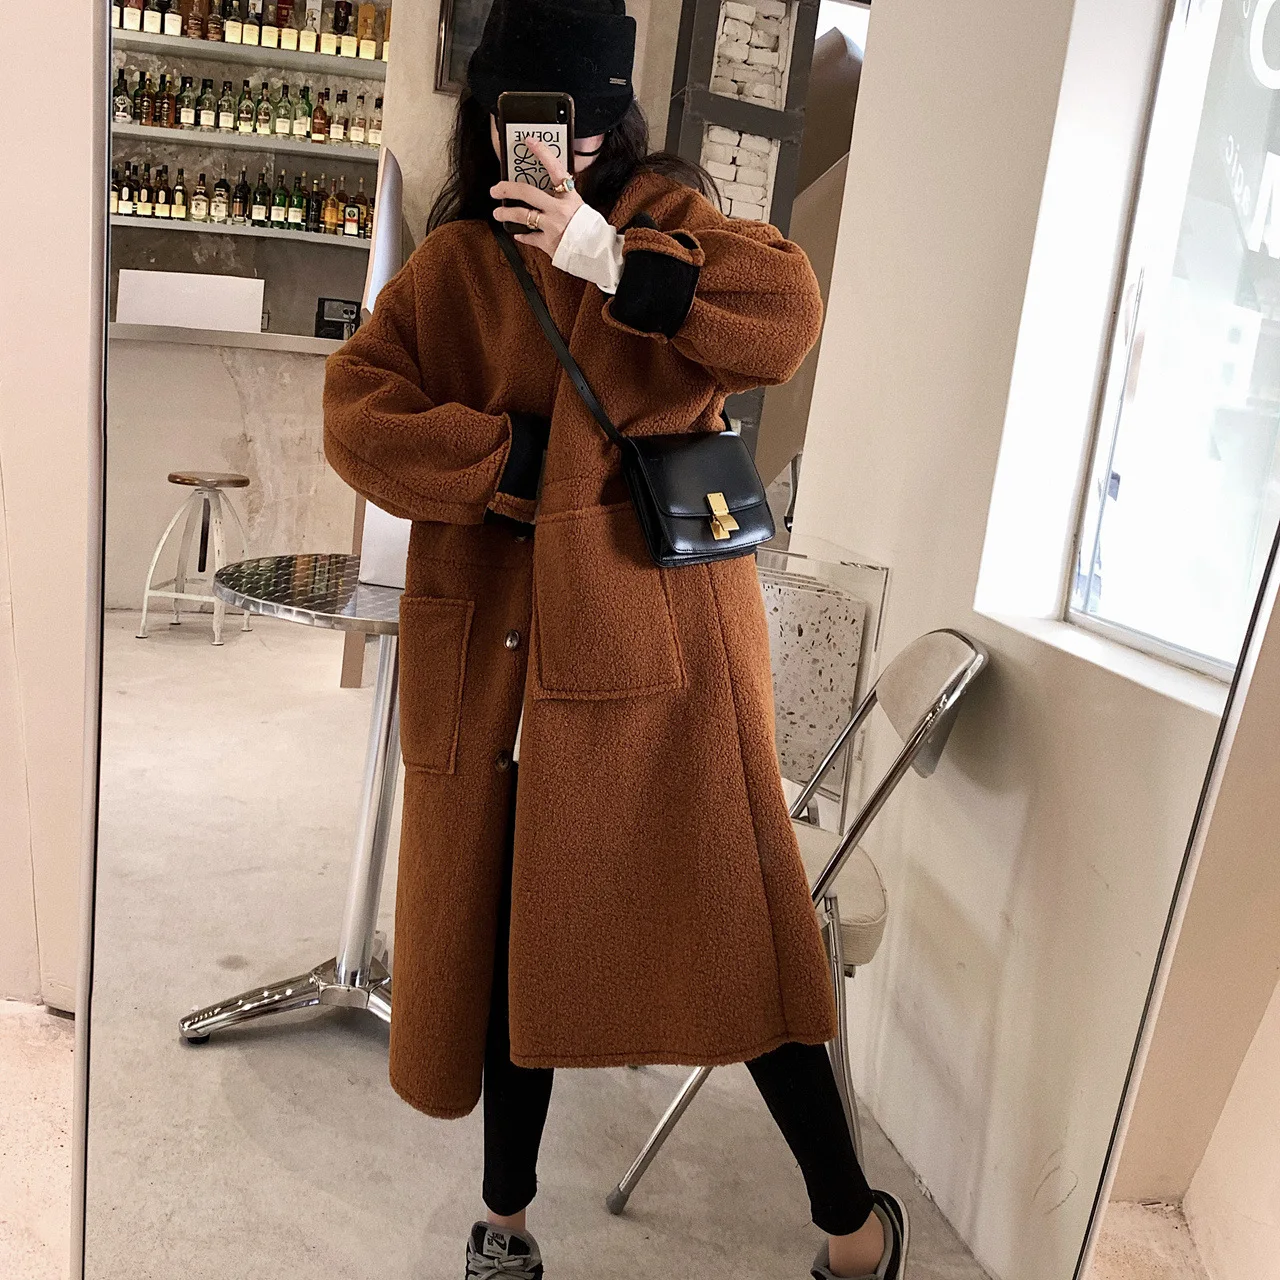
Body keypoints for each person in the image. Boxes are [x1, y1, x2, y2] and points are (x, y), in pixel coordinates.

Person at [322, 1, 904, 1276]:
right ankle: (505, 1218)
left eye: (578, 123)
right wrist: (501, 461)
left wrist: (608, 257)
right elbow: (354, 410)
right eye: (526, 118)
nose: (554, 147)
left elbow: (784, 314)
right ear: (488, 120)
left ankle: (853, 1225)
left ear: (613, 120)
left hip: (667, 654)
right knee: (506, 926)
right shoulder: (455, 266)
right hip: (505, 655)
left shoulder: (666, 221)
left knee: (736, 927)